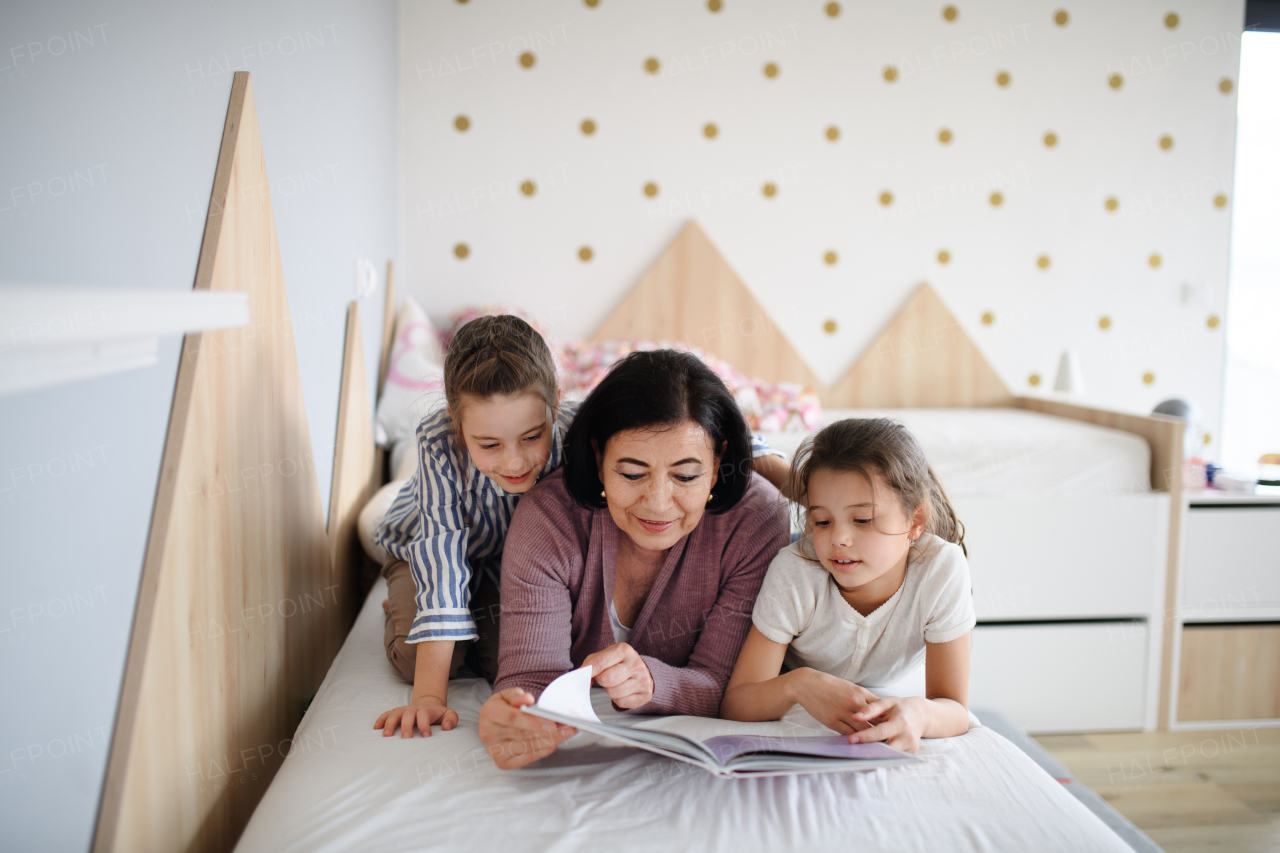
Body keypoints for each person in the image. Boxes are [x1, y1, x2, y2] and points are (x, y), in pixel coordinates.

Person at [373, 317, 789, 738]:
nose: (516, 463)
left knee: (494, 643)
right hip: (425, 548)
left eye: (685, 476)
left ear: (555, 405)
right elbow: (446, 571)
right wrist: (439, 701)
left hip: (506, 558)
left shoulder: (583, 424)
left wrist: (797, 481)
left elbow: (702, 431)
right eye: (631, 474)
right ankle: (402, 606)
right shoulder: (460, 457)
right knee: (424, 644)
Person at [477, 350, 790, 769]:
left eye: (686, 476)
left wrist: (653, 683)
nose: (658, 503)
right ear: (599, 457)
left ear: (717, 465)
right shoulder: (548, 518)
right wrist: (514, 718)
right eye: (631, 473)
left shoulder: (756, 520)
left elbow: (725, 684)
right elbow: (531, 678)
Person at [719, 418, 974, 754]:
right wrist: (798, 685)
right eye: (822, 521)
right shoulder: (794, 572)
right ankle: (753, 451)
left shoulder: (942, 569)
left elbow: (954, 708)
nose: (838, 538)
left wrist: (920, 714)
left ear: (915, 521)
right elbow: (736, 703)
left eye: (862, 520)